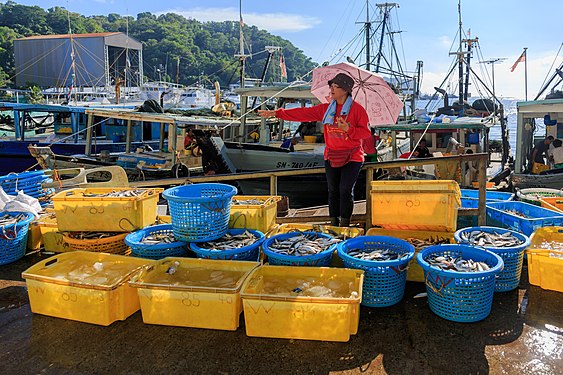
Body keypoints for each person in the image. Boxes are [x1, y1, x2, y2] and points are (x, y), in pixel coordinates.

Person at [258, 72, 371, 227]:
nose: (331, 89)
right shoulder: (326, 109)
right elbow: (303, 113)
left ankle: (345, 224)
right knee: (332, 191)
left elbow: (365, 133)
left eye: (335, 86)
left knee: (345, 190)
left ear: (345, 90)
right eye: (331, 85)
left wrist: (348, 129)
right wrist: (277, 113)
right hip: (332, 154)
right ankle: (333, 224)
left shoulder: (357, 110)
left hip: (352, 155)